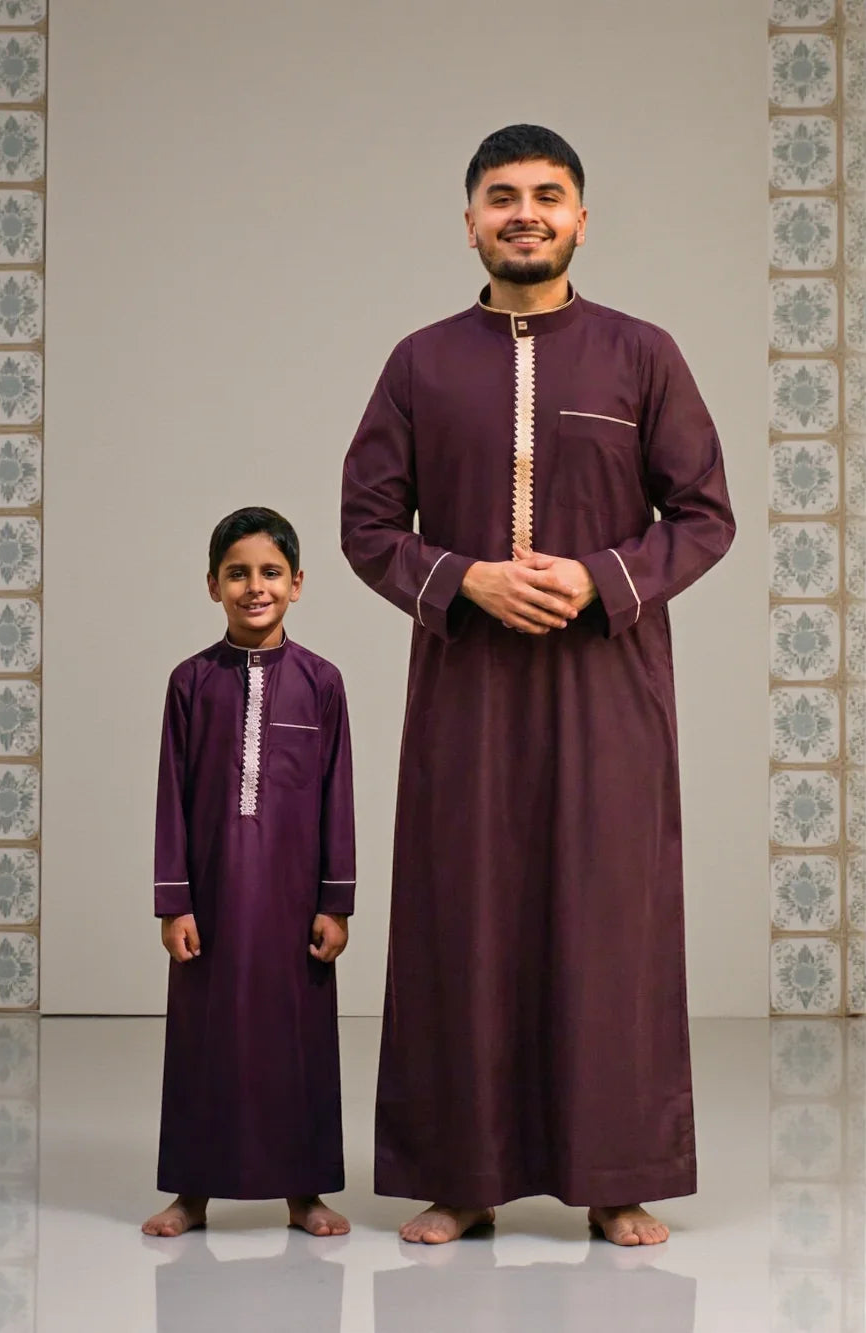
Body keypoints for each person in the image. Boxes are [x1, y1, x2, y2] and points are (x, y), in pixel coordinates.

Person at [341, 125, 735, 1247]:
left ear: (581, 219)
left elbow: (703, 513)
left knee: (611, 917)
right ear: (469, 220)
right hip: (466, 686)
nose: (526, 213)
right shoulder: (419, 363)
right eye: (503, 196)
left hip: (608, 683)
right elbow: (367, 523)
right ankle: (462, 1175)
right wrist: (466, 580)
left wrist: (601, 576)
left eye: (548, 195)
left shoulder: (642, 354)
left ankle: (617, 1174)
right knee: (461, 914)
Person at [142, 506, 356, 1238]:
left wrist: (336, 902)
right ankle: (192, 1193)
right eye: (237, 573)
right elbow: (171, 797)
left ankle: (304, 1193)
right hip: (211, 901)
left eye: (270, 572)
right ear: (212, 585)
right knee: (203, 1041)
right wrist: (175, 903)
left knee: (298, 1042)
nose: (254, 586)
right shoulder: (190, 682)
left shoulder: (322, 683)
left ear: (297, 583)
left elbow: (337, 796)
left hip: (295, 906)